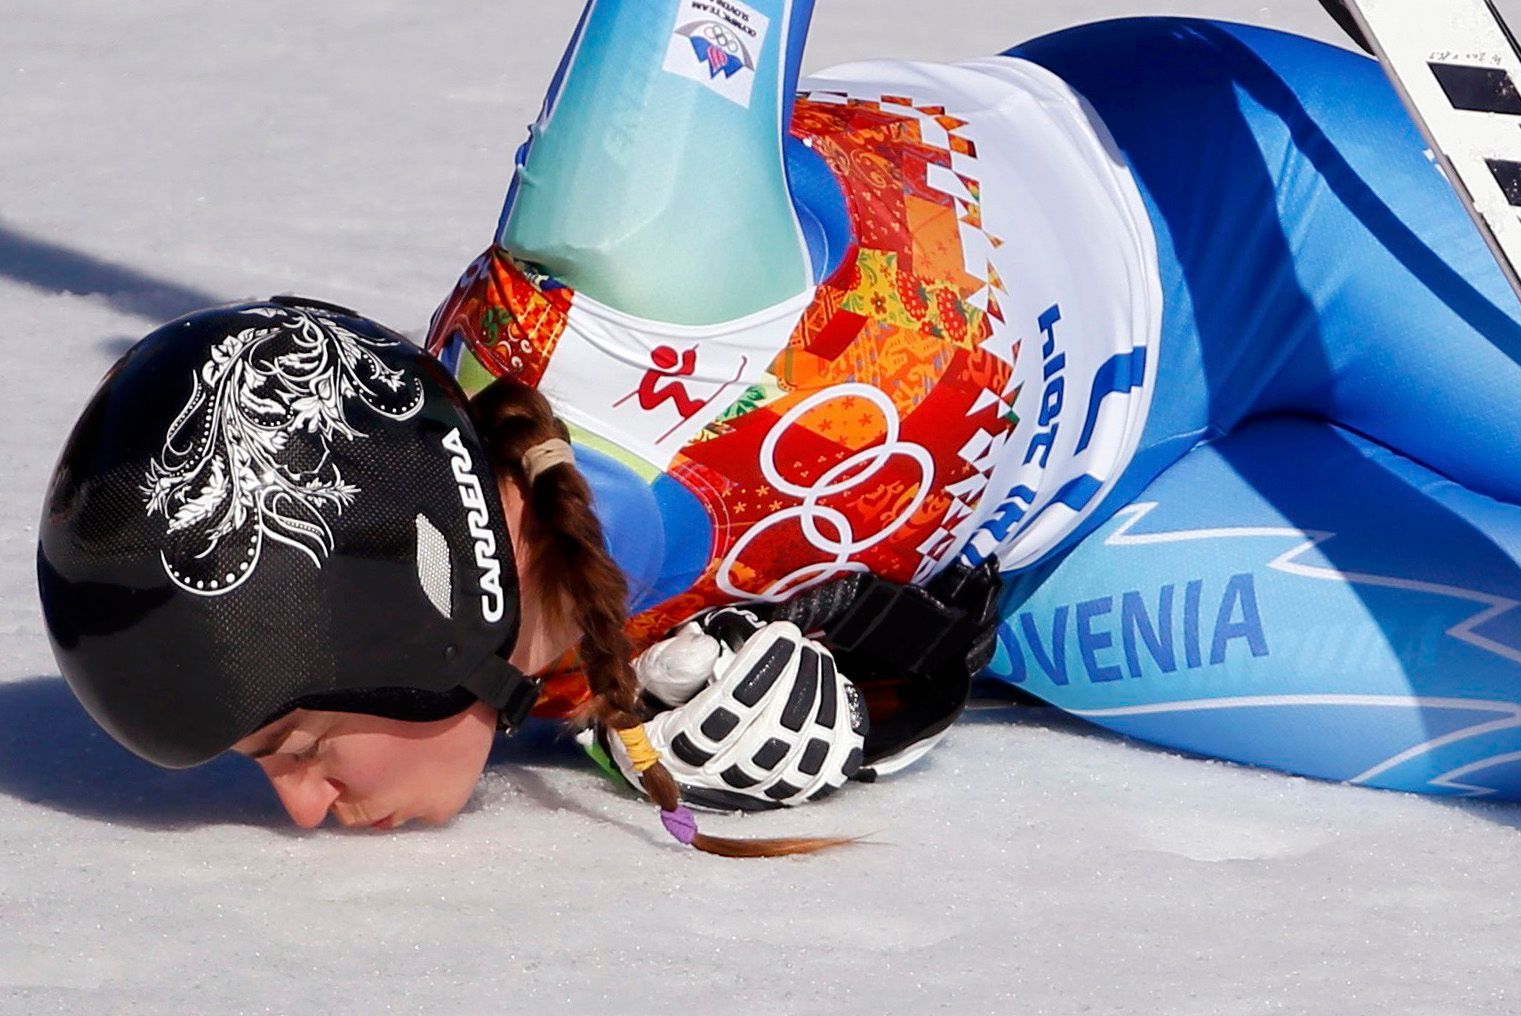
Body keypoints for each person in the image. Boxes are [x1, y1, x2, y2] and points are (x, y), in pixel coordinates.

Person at [38, 1, 1521, 848]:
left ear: (413, 610)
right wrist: (875, 676)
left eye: (293, 739)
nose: (303, 803)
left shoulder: (631, 252)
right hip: (1087, 554)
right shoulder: (552, 674)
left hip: (1253, 219)